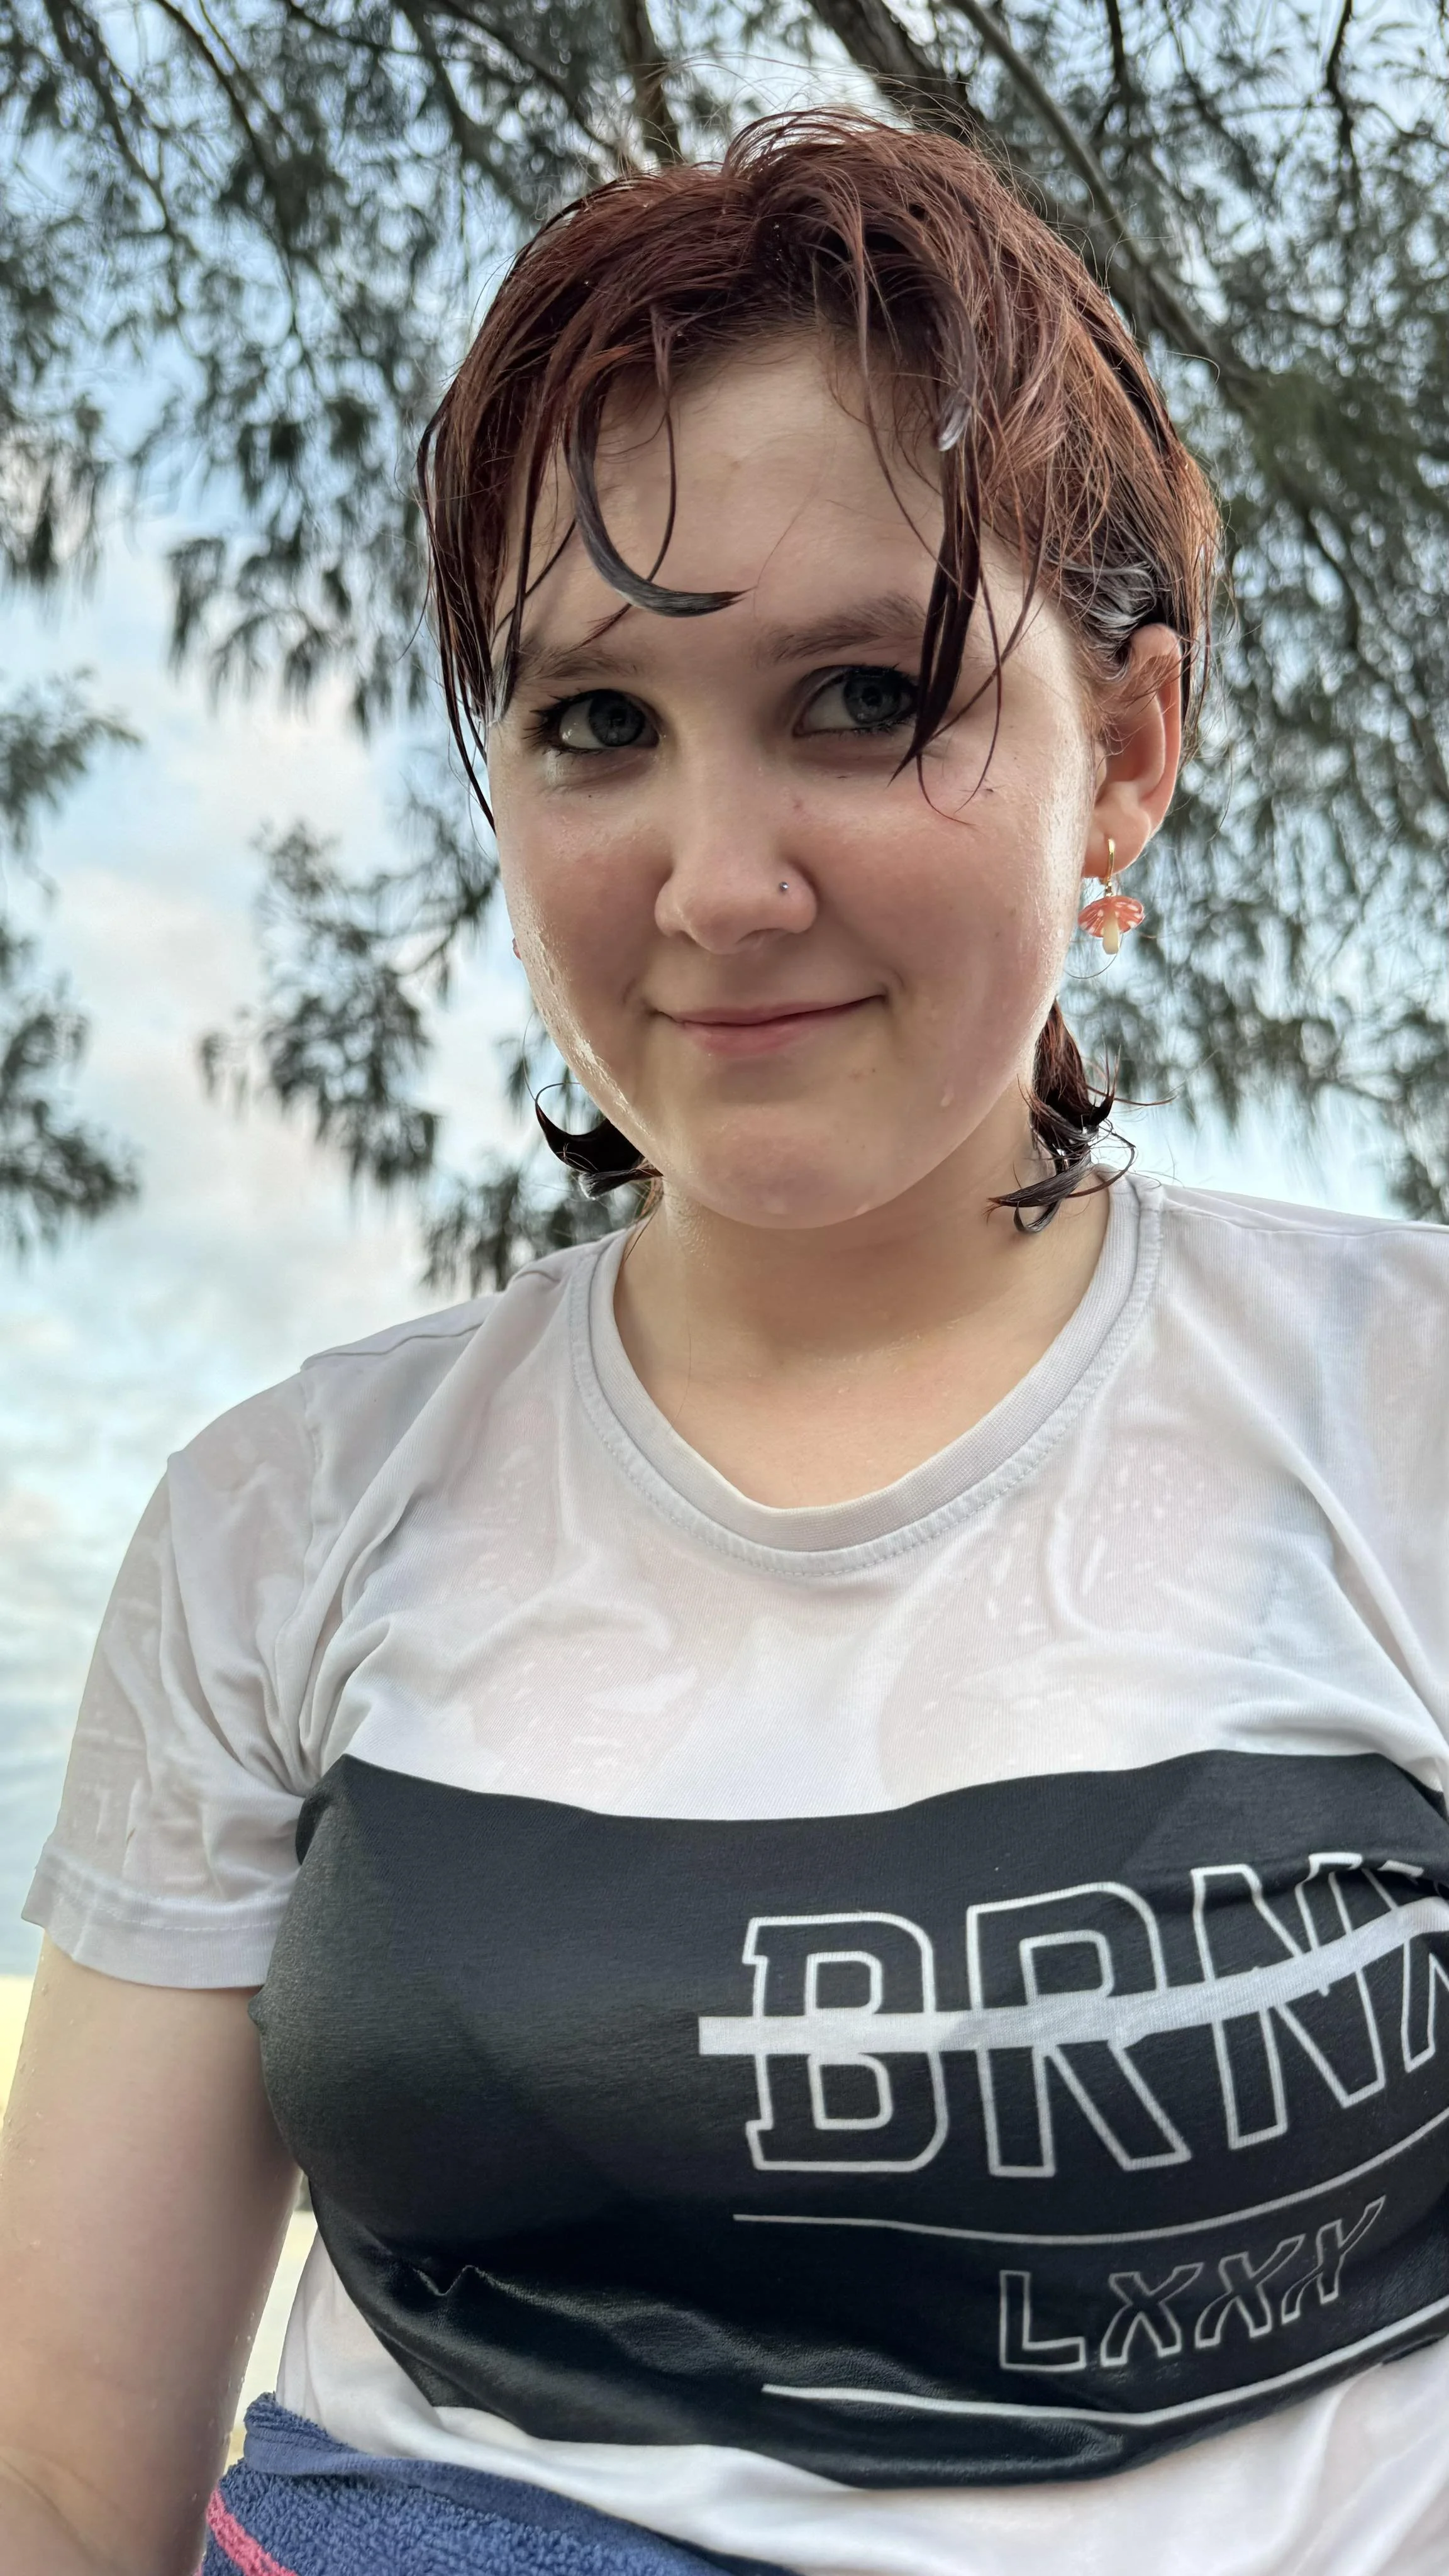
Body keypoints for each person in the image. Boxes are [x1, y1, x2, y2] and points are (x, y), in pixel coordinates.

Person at [2, 105, 1447, 2576]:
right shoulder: (281, 1518)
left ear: (1125, 756)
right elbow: (58, 2476)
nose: (718, 883)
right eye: (598, 723)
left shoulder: (1397, 1406)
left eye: (864, 695)